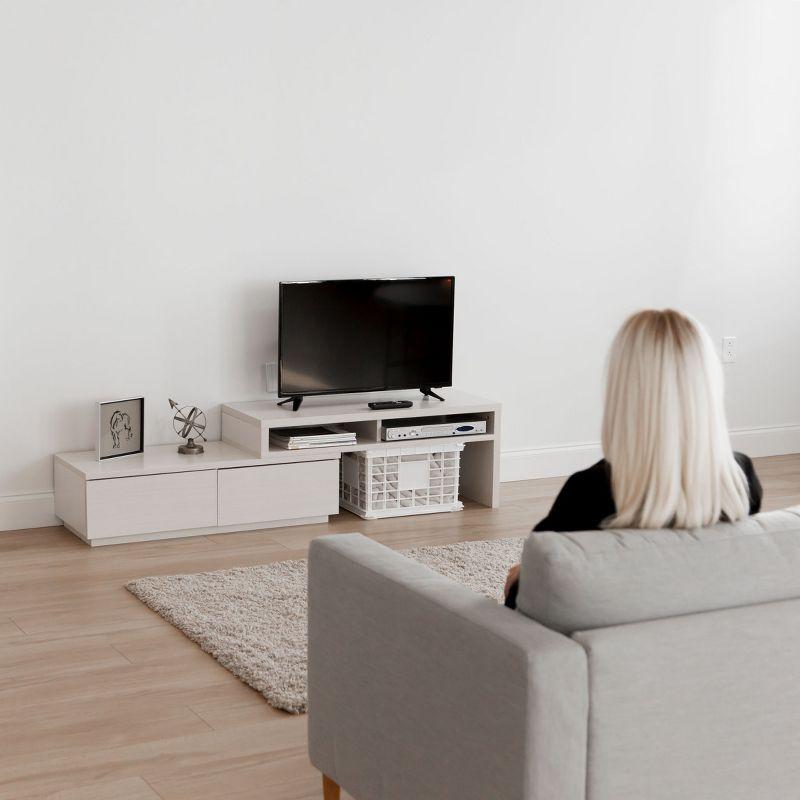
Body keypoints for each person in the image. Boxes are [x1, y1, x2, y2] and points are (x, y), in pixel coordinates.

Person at [504, 308, 763, 609]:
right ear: (707, 383)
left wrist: (520, 580)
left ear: (624, 388)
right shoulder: (740, 476)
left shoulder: (590, 491)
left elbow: (530, 601)